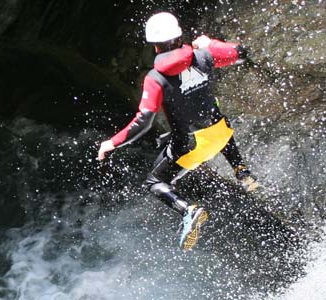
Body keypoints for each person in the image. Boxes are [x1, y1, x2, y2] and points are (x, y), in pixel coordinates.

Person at [95, 12, 254, 251]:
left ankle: (188, 211)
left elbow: (144, 120)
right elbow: (241, 53)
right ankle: (242, 171)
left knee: (155, 182)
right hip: (222, 134)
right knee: (212, 118)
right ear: (179, 35)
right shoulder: (204, 55)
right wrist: (211, 44)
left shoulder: (156, 78)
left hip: (192, 144)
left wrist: (113, 142)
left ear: (155, 46)